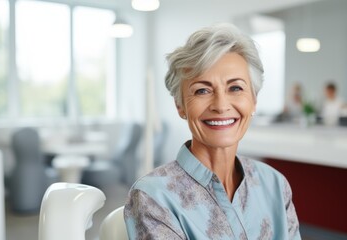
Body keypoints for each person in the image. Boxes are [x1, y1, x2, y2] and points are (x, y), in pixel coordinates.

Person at [124, 23, 301, 239]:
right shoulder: (153, 197)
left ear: (253, 101)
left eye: (235, 88)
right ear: (180, 106)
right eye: (202, 90)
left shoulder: (275, 184)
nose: (220, 105)